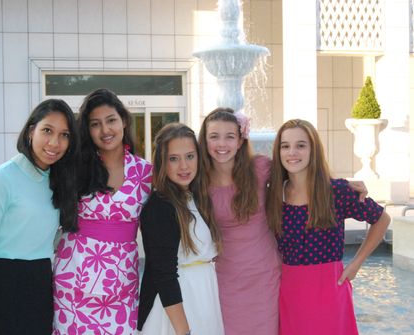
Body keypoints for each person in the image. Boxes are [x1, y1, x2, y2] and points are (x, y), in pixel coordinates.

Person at [0, 99, 78, 335]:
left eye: (64, 135)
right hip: (4, 286)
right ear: (30, 131)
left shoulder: (57, 180)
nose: (55, 143)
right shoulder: (2, 179)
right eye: (47, 131)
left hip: (41, 286)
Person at [266, 119, 390, 335]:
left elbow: (382, 219)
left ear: (313, 149)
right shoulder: (274, 194)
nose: (292, 152)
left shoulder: (337, 191)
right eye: (285, 146)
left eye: (301, 145)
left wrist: (356, 264)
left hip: (329, 291)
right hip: (289, 292)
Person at [52, 88, 152, 335]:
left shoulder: (146, 172)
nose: (105, 130)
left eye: (111, 121)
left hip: (122, 282)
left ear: (124, 121)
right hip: (73, 279)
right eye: (95, 124)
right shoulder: (74, 168)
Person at [197, 107, 281, 335]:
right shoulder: (198, 181)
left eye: (229, 137)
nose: (221, 144)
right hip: (223, 278)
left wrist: (341, 185)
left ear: (241, 140)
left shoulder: (260, 168)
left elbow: (301, 174)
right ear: (204, 141)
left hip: (265, 276)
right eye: (214, 136)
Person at [138, 123, 224, 335]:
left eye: (189, 156)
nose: (184, 166)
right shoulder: (159, 206)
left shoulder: (197, 198)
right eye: (173, 158)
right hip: (176, 308)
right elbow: (164, 276)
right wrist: (183, 331)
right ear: (162, 163)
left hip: (204, 296)